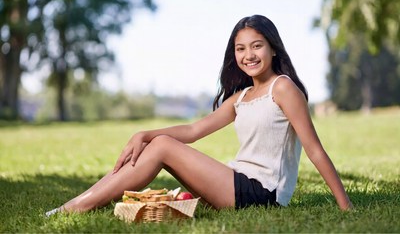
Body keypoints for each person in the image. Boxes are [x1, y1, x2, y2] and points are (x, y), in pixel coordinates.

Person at [45, 14, 352, 216]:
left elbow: (314, 149)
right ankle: (80, 203)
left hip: (262, 193)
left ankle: (76, 207)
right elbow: (193, 130)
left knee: (163, 146)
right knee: (159, 144)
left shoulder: (282, 89)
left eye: (257, 46)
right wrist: (144, 134)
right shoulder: (241, 97)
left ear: (273, 49)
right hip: (237, 183)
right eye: (241, 48)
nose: (249, 55)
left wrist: (345, 206)